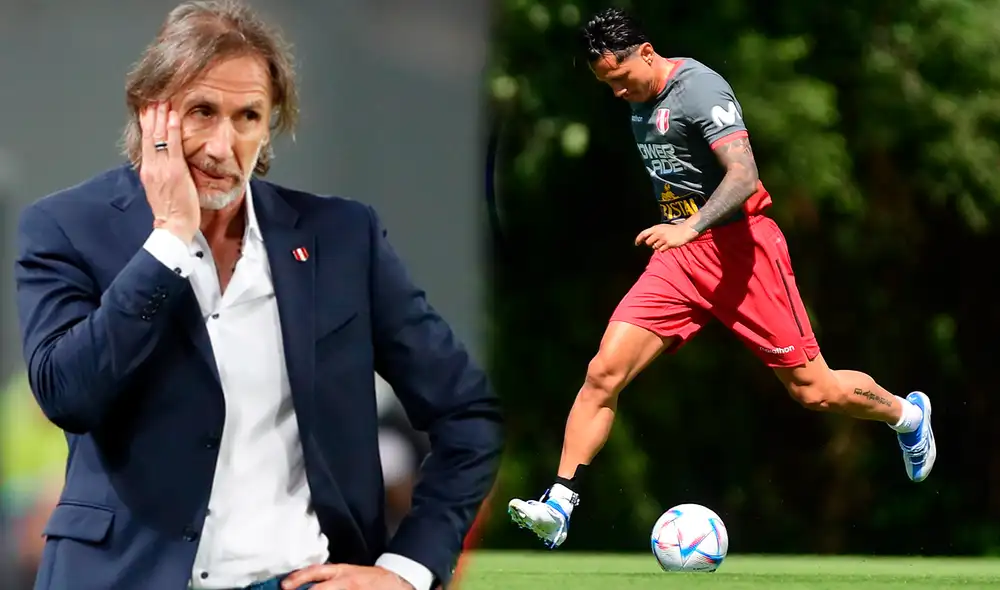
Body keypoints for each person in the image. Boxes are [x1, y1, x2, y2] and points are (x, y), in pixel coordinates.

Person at [14, 2, 502, 589]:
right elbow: (68, 394)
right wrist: (169, 241)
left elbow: (466, 415)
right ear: (152, 116)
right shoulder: (65, 227)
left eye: (248, 116)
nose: (224, 145)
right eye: (202, 112)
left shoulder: (343, 238)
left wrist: (407, 568)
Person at [507, 7, 936, 548]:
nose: (616, 92)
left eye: (620, 79)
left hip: (743, 252)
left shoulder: (699, 88)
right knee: (603, 372)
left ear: (646, 52)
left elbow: (744, 174)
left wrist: (691, 225)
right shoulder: (638, 100)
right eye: (606, 84)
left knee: (815, 391)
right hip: (680, 260)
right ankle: (561, 504)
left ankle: (905, 414)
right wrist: (683, 234)